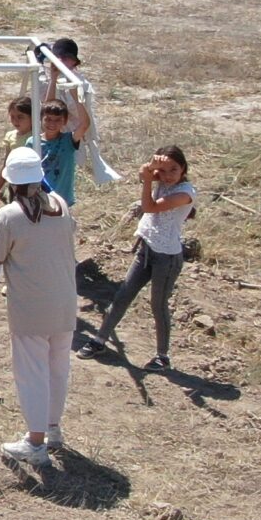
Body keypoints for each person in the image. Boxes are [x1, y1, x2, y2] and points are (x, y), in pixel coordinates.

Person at [0, 147, 80, 485]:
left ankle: (35, 442)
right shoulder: (60, 205)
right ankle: (52, 427)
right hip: (65, 303)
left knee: (32, 373)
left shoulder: (8, 217)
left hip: (31, 309)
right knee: (57, 369)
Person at [93, 146, 196, 371]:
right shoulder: (161, 178)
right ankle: (99, 340)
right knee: (122, 295)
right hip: (147, 250)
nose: (167, 175)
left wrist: (150, 179)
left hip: (167, 258)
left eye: (174, 170)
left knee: (158, 305)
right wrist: (151, 167)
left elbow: (148, 207)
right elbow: (142, 172)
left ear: (183, 170)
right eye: (164, 169)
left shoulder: (185, 193)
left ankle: (163, 356)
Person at [36, 38, 123, 189]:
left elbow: (74, 115)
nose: (62, 61)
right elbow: (47, 105)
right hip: (51, 134)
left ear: (74, 62)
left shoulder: (79, 83)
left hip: (72, 136)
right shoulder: (54, 78)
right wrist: (42, 66)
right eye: (59, 57)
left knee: (64, 177)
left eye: (66, 58)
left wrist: (68, 90)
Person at [34, 90, 89, 207]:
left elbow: (84, 125)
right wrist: (53, 79)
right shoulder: (33, 142)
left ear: (64, 121)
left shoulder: (68, 140)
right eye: (48, 119)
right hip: (39, 198)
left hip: (62, 200)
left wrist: (75, 96)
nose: (52, 123)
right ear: (41, 119)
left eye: (57, 120)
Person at [0, 93, 34, 210]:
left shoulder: (37, 136)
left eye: (20, 117)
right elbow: (6, 164)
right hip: (14, 184)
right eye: (12, 116)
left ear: (32, 117)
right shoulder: (10, 137)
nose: (15, 121)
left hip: (33, 184)